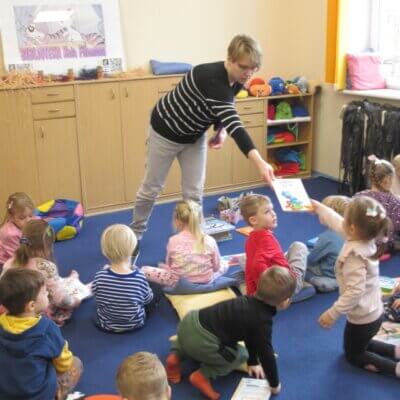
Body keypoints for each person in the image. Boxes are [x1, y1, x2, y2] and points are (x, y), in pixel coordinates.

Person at [130, 34, 275, 250]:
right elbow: (236, 124)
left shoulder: (236, 80)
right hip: (164, 132)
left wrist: (220, 131)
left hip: (194, 136)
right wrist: (261, 162)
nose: (249, 73)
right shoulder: (209, 76)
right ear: (230, 59)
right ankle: (135, 235)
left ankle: (193, 237)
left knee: (194, 192)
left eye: (254, 68)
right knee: (151, 188)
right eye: (245, 67)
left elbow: (225, 110)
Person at [165, 267, 295, 399]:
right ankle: (202, 375)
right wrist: (274, 385)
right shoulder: (262, 322)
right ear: (285, 301)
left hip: (188, 322)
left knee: (191, 338)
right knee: (239, 355)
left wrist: (253, 362)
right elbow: (267, 355)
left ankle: (176, 356)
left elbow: (250, 335)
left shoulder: (246, 300)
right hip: (203, 341)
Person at [312, 196, 400, 377]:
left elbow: (355, 292)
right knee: (364, 342)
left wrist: (333, 313)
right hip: (373, 313)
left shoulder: (354, 257)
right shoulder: (365, 237)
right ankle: (396, 351)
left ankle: (394, 369)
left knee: (353, 353)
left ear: (352, 227)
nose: (342, 221)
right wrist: (318, 207)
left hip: (363, 318)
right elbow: (337, 222)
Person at [0, 268, 82, 399]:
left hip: (6, 394)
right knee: (76, 363)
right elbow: (64, 364)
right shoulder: (46, 329)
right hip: (39, 395)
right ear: (31, 306)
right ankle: (59, 394)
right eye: (44, 293)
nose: (48, 294)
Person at [2, 219, 83, 325]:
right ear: (47, 246)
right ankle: (72, 281)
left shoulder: (9, 263)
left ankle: (70, 280)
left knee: (54, 283)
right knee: (65, 294)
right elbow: (60, 299)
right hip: (34, 311)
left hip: (12, 310)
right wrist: (75, 301)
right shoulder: (46, 267)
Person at [141, 200, 231, 290]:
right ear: (201, 219)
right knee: (224, 263)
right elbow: (216, 268)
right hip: (206, 281)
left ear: (177, 221)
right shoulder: (210, 240)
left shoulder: (173, 240)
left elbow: (169, 265)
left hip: (178, 283)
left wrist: (165, 267)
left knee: (144, 269)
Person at [239, 194, 314, 298]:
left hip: (270, 280)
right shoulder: (267, 239)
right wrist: (272, 292)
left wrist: (251, 292)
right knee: (299, 246)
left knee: (245, 258)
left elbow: (250, 267)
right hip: (284, 287)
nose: (274, 214)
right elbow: (257, 264)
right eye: (267, 212)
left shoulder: (250, 239)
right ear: (253, 220)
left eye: (272, 210)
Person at [92, 224, 154, 333]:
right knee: (155, 291)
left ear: (104, 251)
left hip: (107, 324)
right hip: (135, 324)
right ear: (132, 250)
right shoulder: (139, 277)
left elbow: (97, 298)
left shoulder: (99, 276)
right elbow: (147, 299)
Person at [306, 195, 350, 292]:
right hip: (347, 273)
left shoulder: (326, 237)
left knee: (300, 257)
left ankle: (315, 280)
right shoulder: (352, 233)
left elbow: (311, 260)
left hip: (329, 273)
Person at [356, 154, 400, 248]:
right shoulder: (395, 201)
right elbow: (397, 226)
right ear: (387, 180)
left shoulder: (359, 196)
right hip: (384, 244)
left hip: (361, 239)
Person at [0, 192, 35, 266]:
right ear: (11, 217)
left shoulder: (30, 222)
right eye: (22, 218)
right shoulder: (9, 234)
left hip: (22, 252)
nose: (28, 220)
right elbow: (18, 258)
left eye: (30, 215)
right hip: (5, 262)